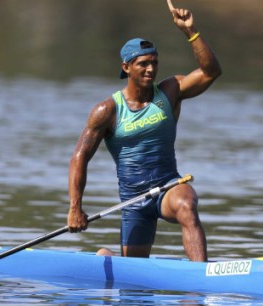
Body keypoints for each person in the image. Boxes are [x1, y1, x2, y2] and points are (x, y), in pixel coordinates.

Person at [67, 2, 221, 262]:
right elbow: (79, 158)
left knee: (187, 206)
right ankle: (104, 256)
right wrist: (75, 208)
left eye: (154, 62)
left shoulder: (171, 91)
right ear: (126, 67)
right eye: (143, 64)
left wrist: (190, 32)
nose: (151, 69)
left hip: (168, 186)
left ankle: (201, 277)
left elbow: (211, 71)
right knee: (131, 275)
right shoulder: (107, 111)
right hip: (133, 201)